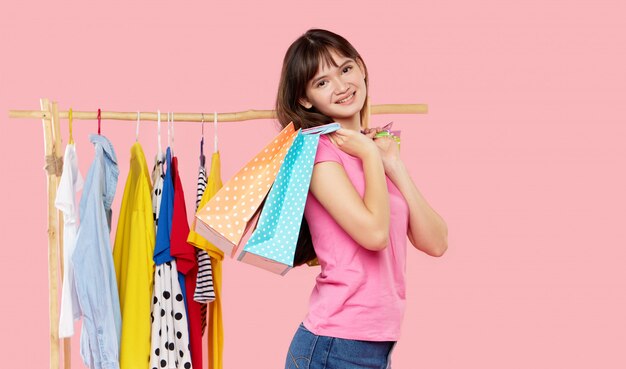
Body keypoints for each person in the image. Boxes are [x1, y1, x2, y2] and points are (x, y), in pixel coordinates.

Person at [275, 29, 448, 369]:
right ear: (306, 99)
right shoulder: (318, 153)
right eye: (322, 82)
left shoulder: (378, 149)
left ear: (361, 68)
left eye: (345, 69)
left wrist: (393, 164)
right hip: (333, 345)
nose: (341, 86)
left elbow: (437, 242)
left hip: (374, 344)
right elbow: (374, 235)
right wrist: (370, 155)